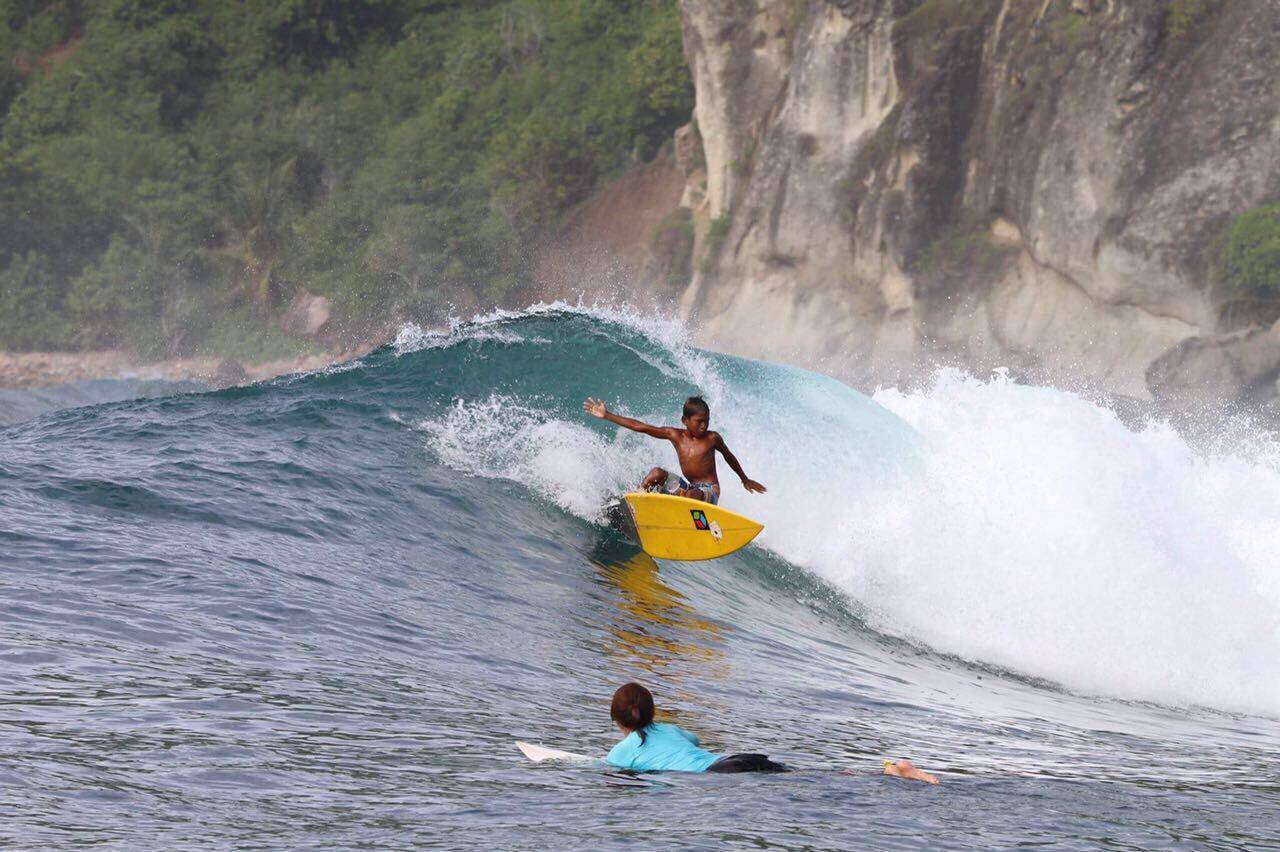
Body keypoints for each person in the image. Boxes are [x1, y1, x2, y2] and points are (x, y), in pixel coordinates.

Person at [606, 682, 939, 783]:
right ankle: (889, 770)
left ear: (617, 721)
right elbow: (694, 742)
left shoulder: (620, 754)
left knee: (807, 776)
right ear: (652, 711)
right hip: (731, 759)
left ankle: (891, 774)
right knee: (806, 773)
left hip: (722, 773)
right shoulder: (670, 728)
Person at [583, 395, 766, 504]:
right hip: (689, 490)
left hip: (708, 492)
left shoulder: (712, 438)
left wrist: (745, 479)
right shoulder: (675, 435)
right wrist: (607, 415)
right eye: (699, 422)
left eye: (707, 421)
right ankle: (634, 503)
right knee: (656, 474)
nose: (704, 425)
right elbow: (642, 427)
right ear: (685, 421)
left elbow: (729, 456)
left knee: (693, 494)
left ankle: (682, 514)